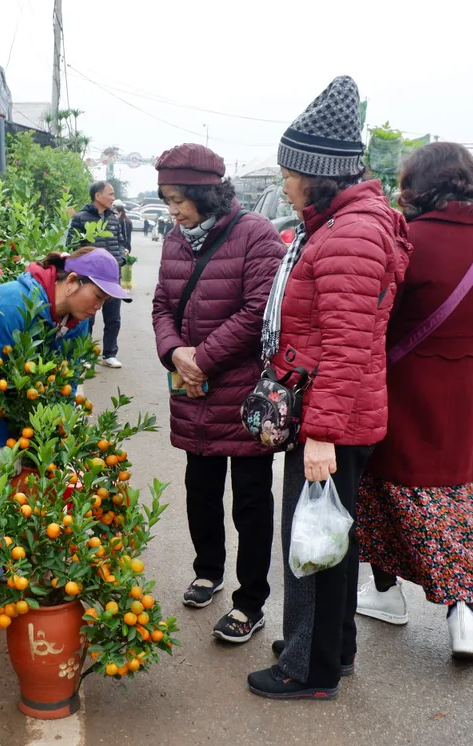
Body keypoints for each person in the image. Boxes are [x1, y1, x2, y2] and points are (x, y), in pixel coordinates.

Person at [246, 76, 411, 700]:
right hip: (342, 413)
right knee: (335, 537)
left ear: (318, 174)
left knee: (313, 544)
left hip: (332, 417)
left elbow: (346, 347)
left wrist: (319, 435)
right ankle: (330, 651)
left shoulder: (349, 234)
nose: (284, 184)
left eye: (290, 172)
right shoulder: (348, 223)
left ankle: (306, 669)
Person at [353, 142, 473, 660]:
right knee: (459, 497)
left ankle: (386, 594)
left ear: (414, 183)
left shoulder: (408, 239)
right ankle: (463, 616)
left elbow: (383, 316)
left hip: (404, 382)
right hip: (467, 385)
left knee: (385, 491)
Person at [151, 143, 285, 643]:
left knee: (251, 501)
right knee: (200, 490)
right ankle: (208, 570)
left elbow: (257, 313)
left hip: (243, 394)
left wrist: (199, 359)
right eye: (166, 200)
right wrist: (174, 353)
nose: (173, 211)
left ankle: (250, 603)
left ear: (206, 193)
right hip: (192, 391)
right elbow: (162, 304)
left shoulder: (256, 235)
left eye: (178, 200)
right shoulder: (174, 239)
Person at [0, 247, 130, 451]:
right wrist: (1, 443)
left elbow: (67, 377)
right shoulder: (14, 305)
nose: (98, 307)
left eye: (105, 301)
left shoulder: (78, 319)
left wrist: (61, 431)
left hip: (10, 387)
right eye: (98, 296)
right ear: (72, 281)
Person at [68, 181, 127, 369]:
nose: (113, 197)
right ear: (98, 196)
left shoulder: (114, 218)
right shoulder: (80, 218)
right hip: (91, 278)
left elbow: (120, 242)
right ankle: (84, 354)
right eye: (110, 194)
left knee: (114, 317)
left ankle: (109, 354)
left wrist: (120, 260)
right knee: (87, 316)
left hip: (112, 277)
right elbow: (73, 245)